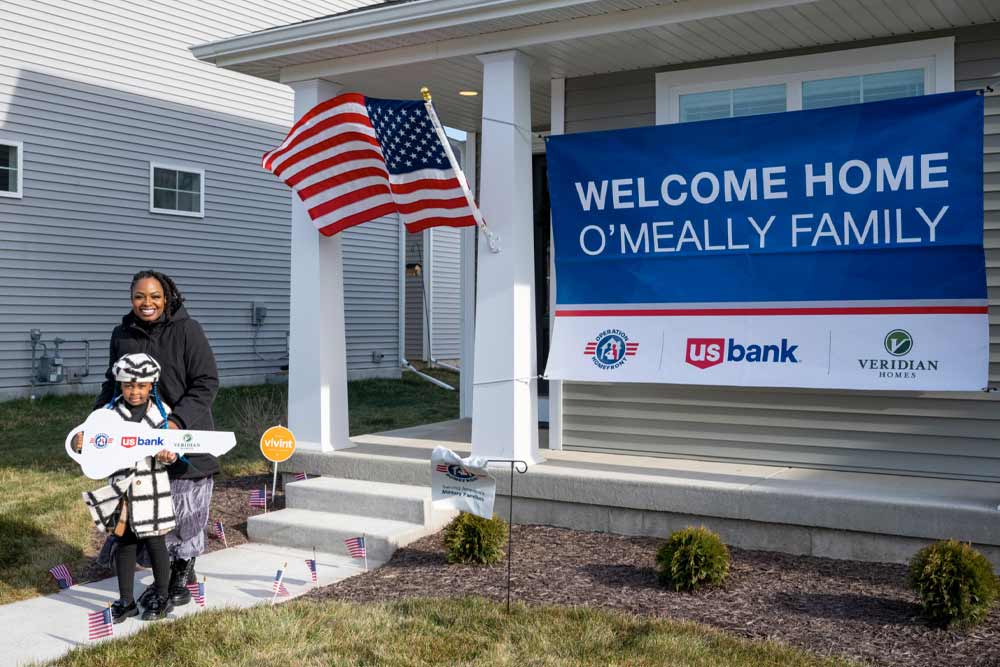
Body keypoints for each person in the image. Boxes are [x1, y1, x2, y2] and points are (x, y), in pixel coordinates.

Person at [94, 269, 220, 606]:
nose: (146, 303)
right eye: (139, 296)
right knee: (145, 510)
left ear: (167, 298)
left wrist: (176, 423)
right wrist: (96, 424)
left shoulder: (187, 330)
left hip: (183, 430)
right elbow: (111, 384)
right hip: (134, 438)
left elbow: (206, 381)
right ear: (131, 298)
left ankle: (180, 572)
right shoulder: (122, 334)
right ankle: (165, 570)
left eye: (154, 296)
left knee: (183, 508)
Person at [75, 353, 177, 622]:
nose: (135, 391)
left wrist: (169, 455)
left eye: (141, 386)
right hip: (123, 490)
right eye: (129, 385)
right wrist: (81, 444)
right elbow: (90, 444)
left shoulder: (162, 414)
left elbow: (173, 449)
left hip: (152, 490)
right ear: (120, 384)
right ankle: (126, 600)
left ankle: (162, 596)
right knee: (124, 542)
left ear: (150, 385)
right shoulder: (107, 416)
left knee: (156, 543)